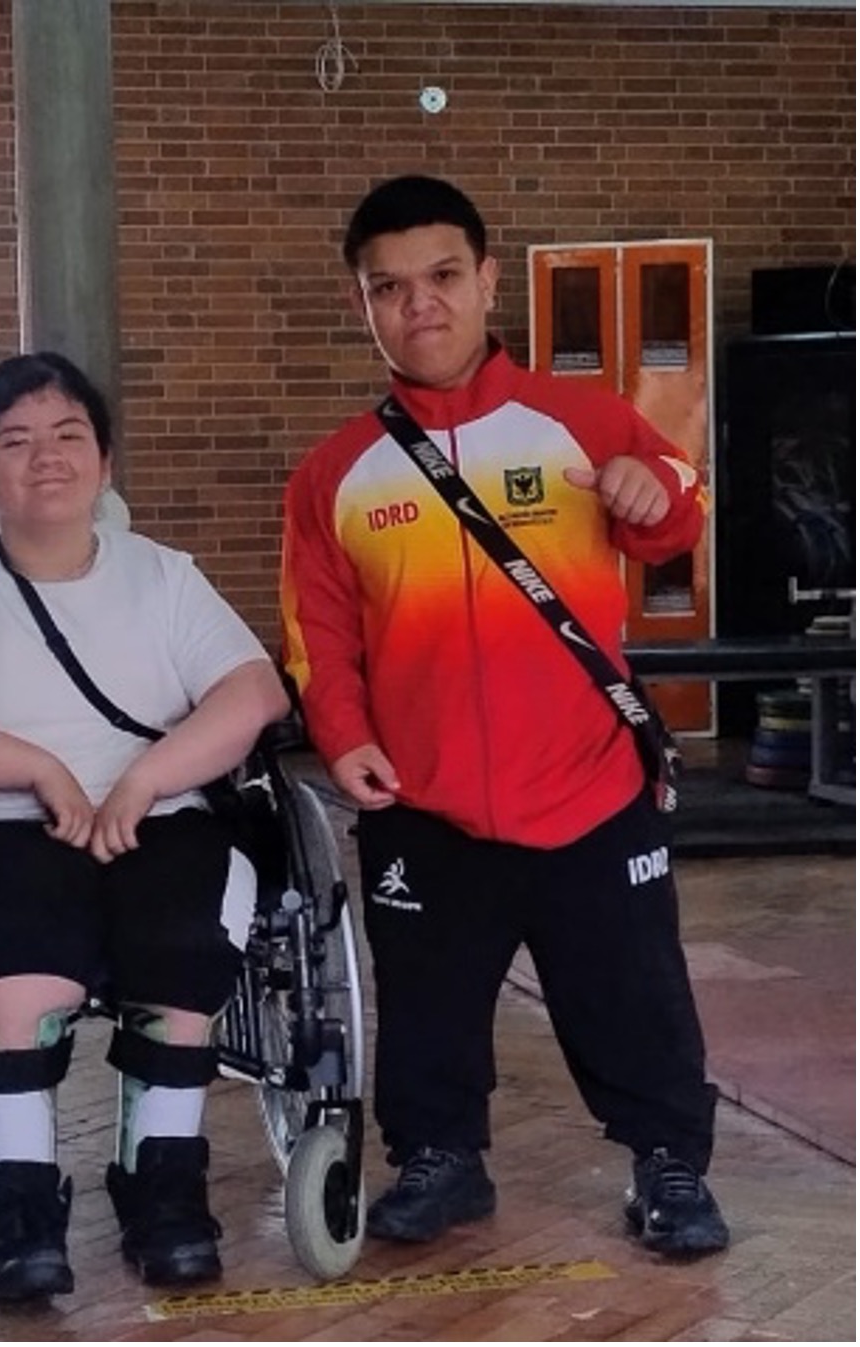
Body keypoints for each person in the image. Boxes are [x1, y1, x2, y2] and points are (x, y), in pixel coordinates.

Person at [280, 175, 729, 1258]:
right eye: (386, 288)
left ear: (486, 280)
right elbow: (314, 634)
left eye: (440, 277)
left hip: (588, 787)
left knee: (631, 995)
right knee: (426, 1007)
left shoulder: (579, 419)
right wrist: (343, 739)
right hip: (423, 804)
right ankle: (440, 1162)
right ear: (360, 306)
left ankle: (666, 1165)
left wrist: (644, 489)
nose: (417, 305)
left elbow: (677, 516)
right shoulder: (334, 473)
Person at [0, 351, 291, 1302]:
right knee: (19, 961)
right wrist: (38, 768)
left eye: (67, 435)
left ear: (103, 459)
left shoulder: (163, 578)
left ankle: (162, 1188)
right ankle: (18, 1206)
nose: (45, 457)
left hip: (159, 818)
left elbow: (253, 690)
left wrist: (143, 781)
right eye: (14, 441)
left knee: (181, 943)